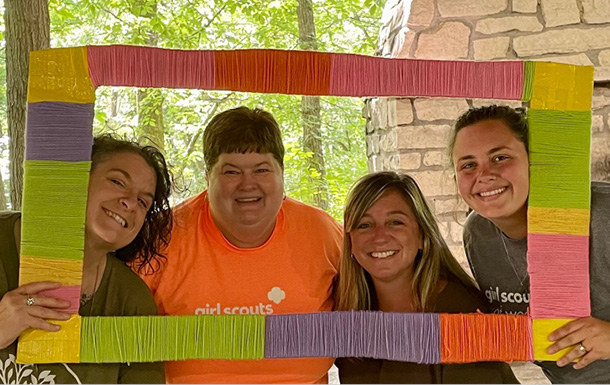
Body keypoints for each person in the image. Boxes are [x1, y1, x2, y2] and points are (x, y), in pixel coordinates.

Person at [142, 106, 342, 384]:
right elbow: (101, 300)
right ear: (207, 175)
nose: (248, 184)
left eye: (262, 170)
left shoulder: (324, 233)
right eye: (231, 172)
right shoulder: (160, 236)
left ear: (282, 174)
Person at [450, 105, 610, 383]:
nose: (484, 174)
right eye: (468, 165)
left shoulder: (602, 214)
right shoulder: (478, 234)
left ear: (533, 161)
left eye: (500, 157)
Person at [0, 135, 173, 383]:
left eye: (143, 202)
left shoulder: (132, 300)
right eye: (117, 181)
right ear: (78, 178)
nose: (130, 203)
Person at [333, 171, 518, 383]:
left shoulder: (460, 312)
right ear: (350, 241)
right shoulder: (347, 310)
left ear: (422, 235)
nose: (380, 236)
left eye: (395, 222)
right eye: (364, 225)